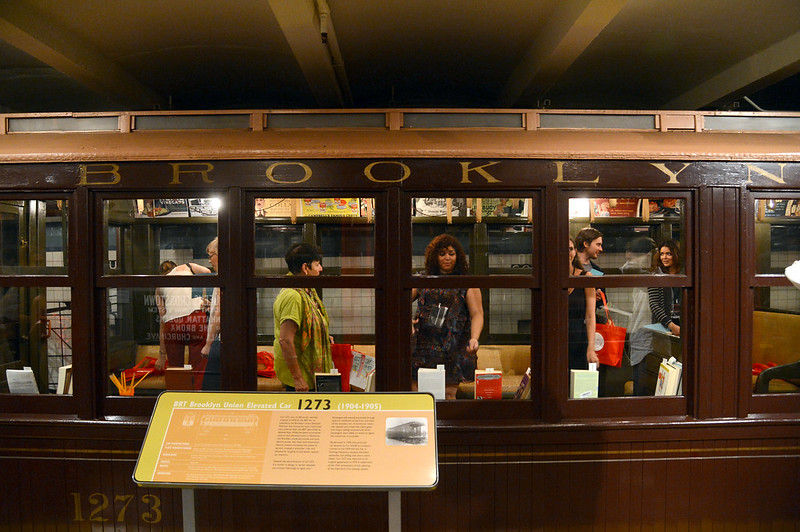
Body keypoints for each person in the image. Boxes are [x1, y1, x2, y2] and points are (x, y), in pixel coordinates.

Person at [411, 234, 484, 400]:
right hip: (423, 345)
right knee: (417, 392)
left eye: (451, 253)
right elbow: (398, 301)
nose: (447, 258)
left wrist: (475, 338)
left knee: (448, 395)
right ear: (434, 256)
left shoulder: (466, 283)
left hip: (453, 346)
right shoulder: (423, 279)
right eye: (442, 253)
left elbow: (477, 314)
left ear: (458, 256)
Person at [273, 243, 333, 392]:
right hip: (300, 377)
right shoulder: (293, 295)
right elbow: (285, 340)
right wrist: (298, 378)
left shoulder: (307, 289)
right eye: (317, 264)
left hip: (308, 374)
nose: (321, 269)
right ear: (305, 268)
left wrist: (322, 334)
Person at [154, 259, 212, 390]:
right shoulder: (187, 267)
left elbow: (163, 321)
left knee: (175, 369)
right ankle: (196, 398)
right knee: (198, 366)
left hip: (172, 323)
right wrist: (206, 297)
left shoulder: (159, 286)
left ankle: (177, 398)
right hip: (195, 318)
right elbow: (208, 272)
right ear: (175, 267)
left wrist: (162, 355)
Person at [621, 237, 657, 395]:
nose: (627, 262)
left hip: (650, 335)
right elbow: (625, 268)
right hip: (638, 333)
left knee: (645, 383)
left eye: (631, 256)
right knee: (639, 381)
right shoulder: (637, 273)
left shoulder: (655, 275)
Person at [568, 237, 598, 370]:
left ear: (575, 251)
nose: (567, 253)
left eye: (570, 249)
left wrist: (591, 349)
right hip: (554, 340)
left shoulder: (586, 276)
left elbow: (590, 316)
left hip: (579, 340)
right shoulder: (550, 278)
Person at [648, 239, 683, 337]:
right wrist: (671, 325)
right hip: (663, 327)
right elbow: (654, 305)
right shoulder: (656, 275)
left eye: (668, 254)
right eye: (662, 254)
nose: (664, 257)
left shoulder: (684, 274)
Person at [201, 238, 221, 390]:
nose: (210, 261)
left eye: (211, 255)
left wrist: (208, 344)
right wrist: (211, 305)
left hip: (220, 343)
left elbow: (219, 316)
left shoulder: (224, 280)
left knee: (211, 389)